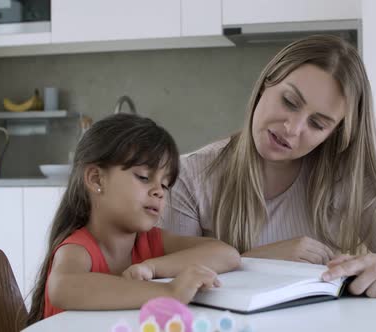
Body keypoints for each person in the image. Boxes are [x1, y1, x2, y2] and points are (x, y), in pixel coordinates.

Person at [162, 35, 376, 298]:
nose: (292, 129)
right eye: (289, 102)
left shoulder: (343, 179)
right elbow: (170, 275)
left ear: (333, 133)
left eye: (317, 124)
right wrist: (258, 259)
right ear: (265, 85)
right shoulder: (190, 175)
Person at [26, 113, 240, 325]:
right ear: (96, 178)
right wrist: (169, 291)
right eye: (144, 177)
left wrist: (153, 268)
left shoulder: (150, 241)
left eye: (165, 185)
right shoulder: (78, 249)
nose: (159, 192)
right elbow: (63, 286)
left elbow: (227, 255)